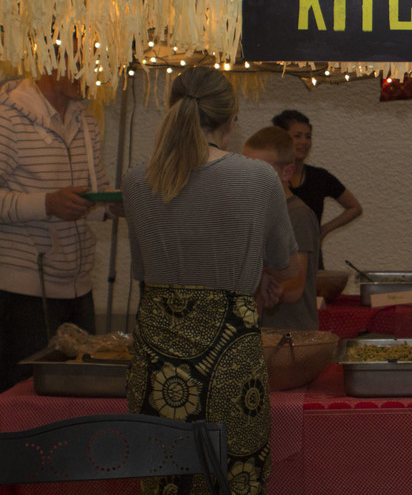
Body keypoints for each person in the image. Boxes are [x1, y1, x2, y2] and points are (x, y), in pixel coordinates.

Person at [124, 66, 303, 494]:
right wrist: (249, 271)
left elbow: (143, 272)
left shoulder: (136, 181)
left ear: (172, 112)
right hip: (229, 362)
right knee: (231, 481)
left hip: (155, 365)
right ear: (231, 121)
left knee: (163, 479)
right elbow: (287, 265)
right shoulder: (258, 178)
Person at [0, 70, 114, 394]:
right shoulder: (3, 117)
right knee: (25, 406)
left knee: (81, 403)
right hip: (25, 292)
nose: (96, 75)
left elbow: (94, 193)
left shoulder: (85, 120)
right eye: (86, 63)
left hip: (79, 286)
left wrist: (113, 204)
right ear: (53, 61)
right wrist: (46, 204)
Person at [244, 125, 320, 330]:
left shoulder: (297, 215)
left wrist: (260, 288)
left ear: (287, 172)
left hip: (293, 337)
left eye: (261, 172)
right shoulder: (255, 212)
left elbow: (294, 288)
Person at [272, 109, 362, 266]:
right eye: (297, 136)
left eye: (308, 137)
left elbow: (354, 207)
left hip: (311, 258)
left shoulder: (320, 177)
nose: (304, 142)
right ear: (281, 139)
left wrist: (324, 230)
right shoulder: (270, 176)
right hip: (277, 259)